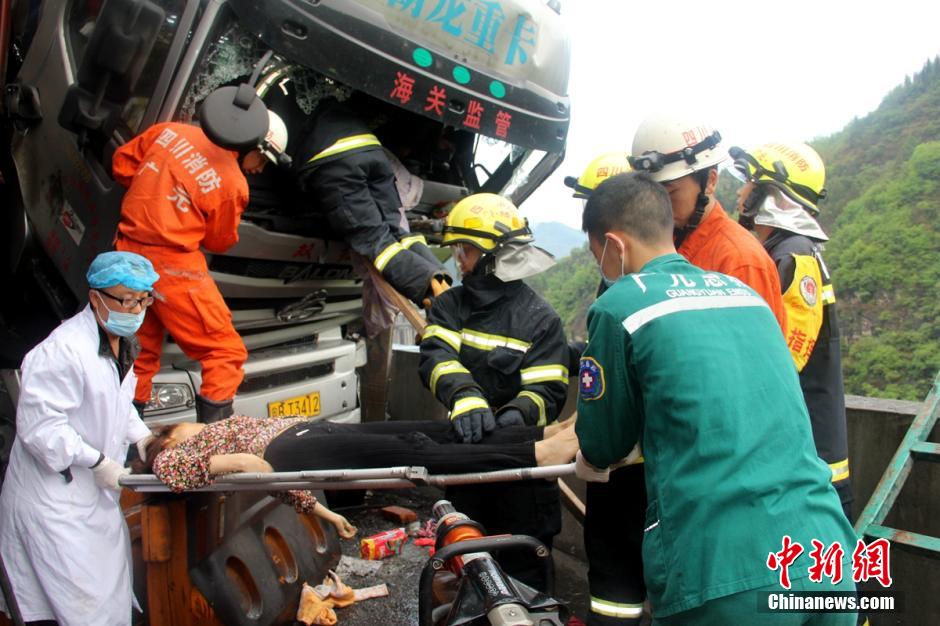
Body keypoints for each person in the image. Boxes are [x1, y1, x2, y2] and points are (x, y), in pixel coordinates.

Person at [575, 172, 858, 624]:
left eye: (597, 255)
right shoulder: (745, 295)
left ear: (614, 244)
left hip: (727, 573)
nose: (602, 267)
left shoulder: (621, 305)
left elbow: (602, 445)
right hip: (827, 555)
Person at [0, 252, 160, 626]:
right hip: (55, 503)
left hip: (92, 501)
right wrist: (98, 461)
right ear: (96, 298)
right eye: (126, 300)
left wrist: (141, 439)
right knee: (79, 608)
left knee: (103, 601)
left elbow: (117, 404)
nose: (136, 309)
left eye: (143, 300)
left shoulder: (121, 341)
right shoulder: (62, 351)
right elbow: (41, 428)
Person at [419, 193, 569, 590]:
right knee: (468, 567)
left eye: (464, 250)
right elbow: (436, 356)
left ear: (490, 256)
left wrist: (519, 413)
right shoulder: (449, 306)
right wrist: (465, 396)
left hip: (524, 475)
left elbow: (548, 389)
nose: (457, 260)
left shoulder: (540, 318)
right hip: (468, 462)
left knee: (526, 578)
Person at [112, 111, 287, 423]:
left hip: (125, 252)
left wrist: (156, 198)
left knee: (139, 351)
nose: (259, 170)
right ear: (253, 146)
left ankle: (125, 441)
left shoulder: (168, 131)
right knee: (225, 352)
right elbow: (220, 242)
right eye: (263, 161)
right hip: (172, 267)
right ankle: (209, 450)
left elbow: (122, 166)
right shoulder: (233, 184)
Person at [731, 141, 853, 519]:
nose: (740, 191)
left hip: (809, 467)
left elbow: (784, 359)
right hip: (801, 460)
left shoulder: (793, 255)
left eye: (750, 182)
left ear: (773, 195)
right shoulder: (783, 251)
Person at [138, 414, 579, 509]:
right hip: (290, 448)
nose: (192, 424)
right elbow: (169, 472)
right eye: (179, 427)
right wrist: (238, 460)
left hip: (305, 435)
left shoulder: (205, 436)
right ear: (167, 438)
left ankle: (540, 433)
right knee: (417, 454)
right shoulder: (175, 451)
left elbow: (283, 490)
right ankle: (540, 454)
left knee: (419, 430)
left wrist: (328, 518)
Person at [566, 152, 647, 626]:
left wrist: (591, 449)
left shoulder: (625, 291)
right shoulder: (629, 277)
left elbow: (610, 412)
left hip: (626, 468)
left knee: (617, 577)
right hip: (638, 467)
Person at [629, 114, 788, 333]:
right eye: (651, 192)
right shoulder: (660, 246)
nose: (658, 204)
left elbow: (754, 355)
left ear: (710, 181)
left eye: (670, 191)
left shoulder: (739, 260)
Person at [293, 97, 450, 306]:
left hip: (336, 162)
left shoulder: (289, 116)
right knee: (397, 231)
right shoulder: (323, 106)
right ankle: (443, 279)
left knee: (376, 240)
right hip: (373, 151)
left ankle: (430, 290)